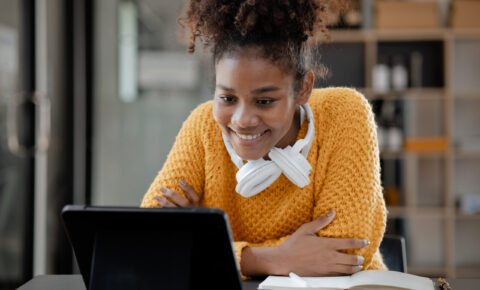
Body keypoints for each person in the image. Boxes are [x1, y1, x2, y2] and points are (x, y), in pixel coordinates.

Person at [141, 0, 387, 278]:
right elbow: (150, 243)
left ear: (304, 88)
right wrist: (275, 259)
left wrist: (204, 245)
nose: (242, 120)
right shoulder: (203, 125)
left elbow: (344, 255)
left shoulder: (345, 114)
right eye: (227, 98)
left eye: (265, 100)